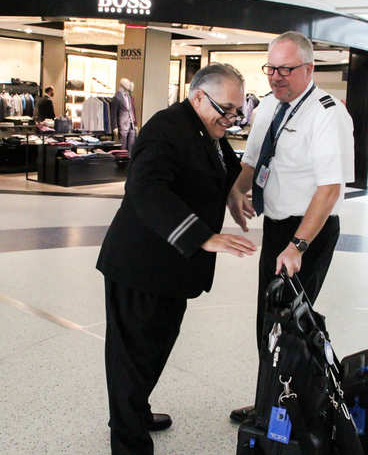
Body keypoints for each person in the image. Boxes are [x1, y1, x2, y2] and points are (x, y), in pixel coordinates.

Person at [96, 63, 257, 455]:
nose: (232, 120)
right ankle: (128, 439)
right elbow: (146, 190)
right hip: (141, 265)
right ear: (199, 96)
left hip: (171, 269)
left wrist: (235, 192)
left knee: (156, 347)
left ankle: (137, 409)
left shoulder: (206, 129)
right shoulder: (166, 128)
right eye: (228, 110)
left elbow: (223, 167)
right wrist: (203, 237)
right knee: (131, 356)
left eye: (237, 112)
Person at [227, 31, 355, 423]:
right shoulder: (268, 107)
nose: (277, 77)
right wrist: (235, 192)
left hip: (308, 234)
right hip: (278, 231)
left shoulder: (327, 113)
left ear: (309, 68)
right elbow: (251, 163)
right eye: (271, 68)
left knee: (293, 326)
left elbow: (330, 187)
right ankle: (270, 399)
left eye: (286, 69)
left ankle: (290, 409)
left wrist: (298, 245)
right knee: (267, 319)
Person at [111, 78, 138, 155]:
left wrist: (135, 123)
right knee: (123, 146)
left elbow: (132, 110)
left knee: (132, 145)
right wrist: (114, 126)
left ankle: (129, 161)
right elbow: (113, 113)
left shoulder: (129, 97)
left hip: (131, 124)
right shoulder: (116, 97)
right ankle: (122, 161)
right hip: (122, 125)